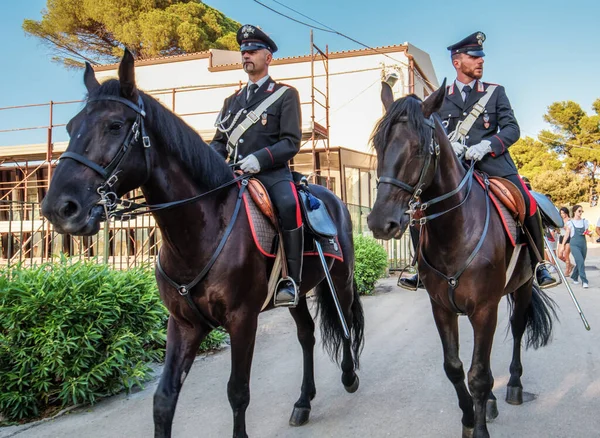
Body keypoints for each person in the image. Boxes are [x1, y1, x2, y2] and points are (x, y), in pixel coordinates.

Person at [399, 31, 556, 290]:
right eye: (473, 57)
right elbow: (428, 133)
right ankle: (417, 266)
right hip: (453, 168)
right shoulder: (439, 97)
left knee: (527, 201)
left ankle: (540, 263)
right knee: (418, 208)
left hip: (493, 165)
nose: (480, 61)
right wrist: (451, 147)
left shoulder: (495, 93)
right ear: (456, 62)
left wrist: (487, 145)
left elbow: (511, 128)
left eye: (481, 57)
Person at [210, 24, 303, 306]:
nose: (246, 55)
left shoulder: (285, 95)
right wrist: (210, 163)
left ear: (268, 57)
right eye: (243, 51)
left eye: (253, 51)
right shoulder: (231, 101)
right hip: (234, 173)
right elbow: (219, 142)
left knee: (289, 205)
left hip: (271, 174)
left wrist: (259, 159)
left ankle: (291, 281)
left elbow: (291, 142)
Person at [568, 205, 590, 288]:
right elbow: (567, 234)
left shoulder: (585, 222)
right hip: (574, 244)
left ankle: (574, 276)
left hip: (583, 244)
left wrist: (588, 233)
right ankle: (584, 281)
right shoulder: (570, 222)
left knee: (580, 262)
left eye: (582, 211)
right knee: (580, 261)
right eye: (579, 211)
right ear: (574, 211)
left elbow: (587, 232)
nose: (581, 213)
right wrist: (562, 245)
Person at [557, 207, 573, 277]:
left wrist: (565, 227)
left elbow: (569, 231)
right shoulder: (560, 220)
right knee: (559, 255)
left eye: (563, 213)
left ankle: (567, 270)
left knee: (566, 255)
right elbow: (559, 230)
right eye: (561, 213)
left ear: (566, 213)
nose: (562, 214)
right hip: (561, 237)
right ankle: (570, 265)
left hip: (568, 238)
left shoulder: (570, 221)